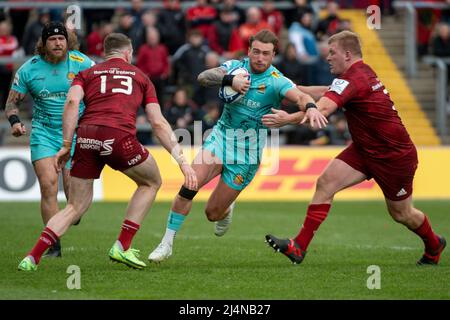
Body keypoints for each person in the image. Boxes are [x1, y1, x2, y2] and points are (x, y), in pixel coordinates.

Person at [263, 30, 446, 266]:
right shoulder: (359, 73)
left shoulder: (353, 79)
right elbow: (327, 91)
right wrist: (294, 89)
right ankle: (299, 246)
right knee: (326, 183)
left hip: (393, 157)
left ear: (347, 55)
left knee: (402, 214)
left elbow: (323, 110)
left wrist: (286, 119)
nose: (327, 57)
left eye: (332, 52)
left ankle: (434, 244)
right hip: (364, 150)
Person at [17, 33, 197, 271]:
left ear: (105, 53)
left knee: (75, 206)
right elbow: (158, 123)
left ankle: (32, 257)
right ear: (128, 53)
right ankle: (122, 246)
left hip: (87, 135)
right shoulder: (141, 77)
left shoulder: (87, 73)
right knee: (151, 181)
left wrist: (66, 144)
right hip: (118, 136)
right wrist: (182, 161)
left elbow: (71, 104)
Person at [148, 29, 327, 263]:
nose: (259, 57)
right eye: (256, 52)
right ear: (249, 50)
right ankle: (166, 243)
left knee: (212, 214)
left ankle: (226, 208)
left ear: (274, 55)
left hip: (247, 154)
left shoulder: (277, 81)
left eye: (265, 53)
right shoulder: (235, 67)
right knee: (190, 184)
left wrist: (311, 107)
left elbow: (301, 97)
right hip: (220, 138)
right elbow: (203, 77)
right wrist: (228, 79)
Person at [4, 21, 94, 258]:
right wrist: (15, 122)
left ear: (67, 41)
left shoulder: (82, 63)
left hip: (76, 134)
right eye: (52, 39)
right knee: (48, 186)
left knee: (76, 197)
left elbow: (101, 90)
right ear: (43, 43)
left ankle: (73, 213)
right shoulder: (29, 69)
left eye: (61, 38)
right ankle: (53, 245)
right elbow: (12, 103)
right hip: (44, 134)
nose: (57, 43)